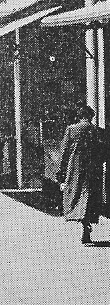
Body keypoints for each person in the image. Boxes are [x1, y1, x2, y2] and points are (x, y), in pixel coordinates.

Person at [57, 105, 108, 245]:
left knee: (76, 196)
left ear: (79, 116)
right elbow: (105, 152)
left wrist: (60, 175)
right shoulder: (98, 131)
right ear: (92, 116)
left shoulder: (71, 130)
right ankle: (86, 225)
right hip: (93, 171)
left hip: (75, 170)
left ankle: (83, 224)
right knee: (89, 198)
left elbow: (64, 154)